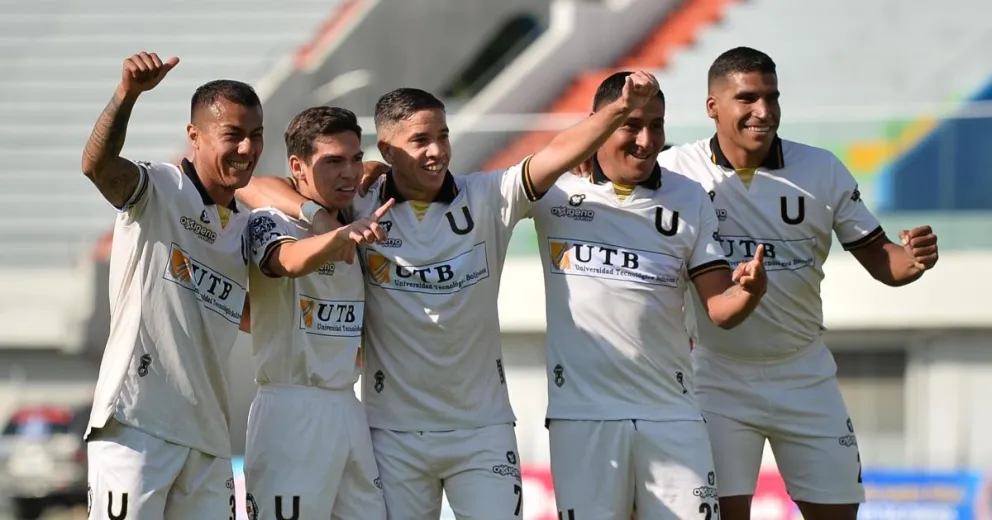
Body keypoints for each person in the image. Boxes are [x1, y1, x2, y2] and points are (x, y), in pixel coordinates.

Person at [237, 72, 661, 520]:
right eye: (420, 140)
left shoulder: (488, 197)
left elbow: (555, 154)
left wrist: (618, 111)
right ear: (387, 151)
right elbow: (252, 185)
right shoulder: (356, 205)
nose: (437, 151)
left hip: (482, 430)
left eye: (443, 136)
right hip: (391, 434)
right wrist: (320, 218)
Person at [657, 46, 940, 520]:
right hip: (715, 375)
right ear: (713, 107)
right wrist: (590, 163)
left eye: (772, 97)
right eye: (747, 98)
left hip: (805, 372)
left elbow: (882, 259)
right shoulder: (675, 171)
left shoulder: (822, 169)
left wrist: (912, 260)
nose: (763, 112)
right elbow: (615, 172)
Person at [530, 71, 767, 520]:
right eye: (631, 125)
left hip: (671, 414)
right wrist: (377, 171)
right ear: (600, 123)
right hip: (583, 416)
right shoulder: (554, 187)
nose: (646, 140)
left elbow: (720, 308)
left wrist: (751, 292)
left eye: (656, 125)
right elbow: (468, 195)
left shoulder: (688, 196)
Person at [80, 52, 263, 519]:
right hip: (136, 424)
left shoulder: (246, 227)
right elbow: (97, 166)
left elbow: (251, 316)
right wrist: (128, 94)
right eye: (233, 135)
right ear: (194, 136)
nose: (246, 149)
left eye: (255, 136)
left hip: (208, 438)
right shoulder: (160, 188)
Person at [242, 106, 395, 519]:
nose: (348, 172)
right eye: (333, 161)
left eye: (354, 158)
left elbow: (375, 168)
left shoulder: (355, 211)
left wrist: (362, 181)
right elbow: (287, 259)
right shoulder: (271, 221)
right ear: (298, 166)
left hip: (348, 405)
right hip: (291, 409)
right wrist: (331, 229)